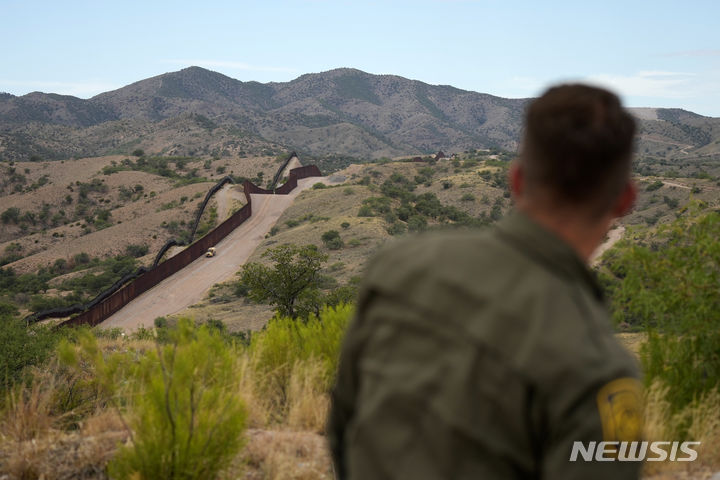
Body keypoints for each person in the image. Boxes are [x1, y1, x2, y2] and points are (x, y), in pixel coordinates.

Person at [328, 84, 643, 479]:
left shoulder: (398, 265)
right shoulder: (600, 369)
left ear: (517, 180)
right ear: (625, 200)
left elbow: (343, 424)